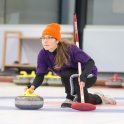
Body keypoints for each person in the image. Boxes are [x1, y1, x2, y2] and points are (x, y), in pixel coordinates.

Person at [25, 23, 116, 107]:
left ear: (57, 40)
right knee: (83, 100)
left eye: (49, 38)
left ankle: (70, 98)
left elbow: (90, 62)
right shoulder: (43, 54)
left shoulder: (70, 49)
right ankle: (99, 97)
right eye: (43, 38)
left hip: (87, 74)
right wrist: (32, 87)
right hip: (71, 77)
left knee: (67, 74)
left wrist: (83, 76)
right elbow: (40, 75)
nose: (46, 41)